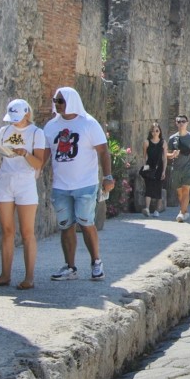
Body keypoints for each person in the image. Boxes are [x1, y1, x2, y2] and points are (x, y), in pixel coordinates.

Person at [43, 87, 112, 282]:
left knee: (86, 222)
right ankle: (70, 267)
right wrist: (33, 170)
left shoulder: (89, 123)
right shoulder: (51, 126)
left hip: (85, 184)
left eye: (60, 101)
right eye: (56, 101)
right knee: (66, 225)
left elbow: (103, 151)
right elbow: (45, 153)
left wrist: (108, 176)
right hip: (61, 185)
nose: (57, 105)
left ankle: (96, 262)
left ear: (71, 101)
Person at [0, 99, 47, 290]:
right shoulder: (4, 130)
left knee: (27, 232)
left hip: (25, 183)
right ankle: (5, 275)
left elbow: (38, 163)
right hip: (5, 181)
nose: (14, 121)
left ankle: (29, 277)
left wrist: (25, 154)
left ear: (27, 114)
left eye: (17, 117)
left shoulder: (36, 133)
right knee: (7, 230)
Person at [167, 114, 190, 222]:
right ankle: (185, 211)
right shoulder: (172, 138)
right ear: (176, 123)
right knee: (180, 193)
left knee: (186, 189)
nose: (181, 123)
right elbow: (166, 154)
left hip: (189, 168)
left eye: (183, 121)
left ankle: (181, 212)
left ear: (187, 123)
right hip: (176, 168)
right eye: (179, 121)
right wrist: (172, 155)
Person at [140, 122, 166, 217]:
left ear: (160, 131)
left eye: (157, 131)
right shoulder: (146, 142)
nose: (155, 133)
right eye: (153, 131)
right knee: (149, 188)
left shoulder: (163, 143)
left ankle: (156, 210)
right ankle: (147, 209)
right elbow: (144, 157)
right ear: (150, 132)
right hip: (149, 167)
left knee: (158, 189)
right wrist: (145, 169)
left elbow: (164, 158)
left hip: (159, 168)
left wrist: (164, 171)